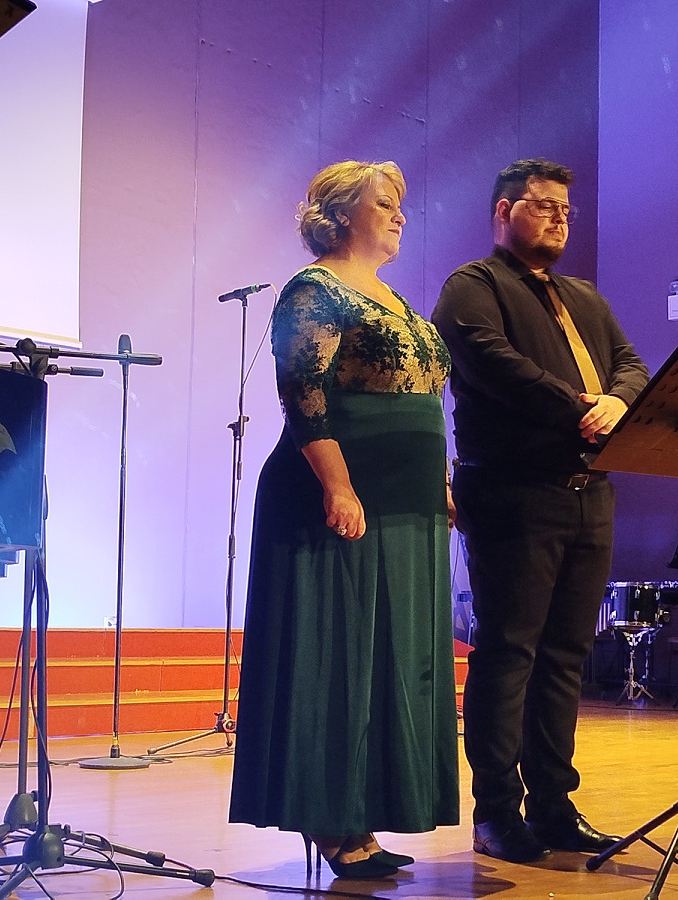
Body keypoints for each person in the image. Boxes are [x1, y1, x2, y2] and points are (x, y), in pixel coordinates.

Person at [228, 160, 459, 879]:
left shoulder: (391, 297)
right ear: (339, 214)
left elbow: (423, 400)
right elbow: (304, 391)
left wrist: (440, 483)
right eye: (383, 203)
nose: (399, 214)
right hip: (339, 498)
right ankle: (330, 820)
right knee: (338, 658)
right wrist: (338, 485)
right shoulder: (314, 289)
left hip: (408, 503)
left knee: (391, 662)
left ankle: (365, 813)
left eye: (400, 204)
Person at [431, 158, 649, 864]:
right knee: (509, 652)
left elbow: (631, 364)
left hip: (590, 493)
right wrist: (582, 407)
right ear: (504, 210)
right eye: (545, 205)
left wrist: (618, 401)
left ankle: (553, 807)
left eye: (565, 210)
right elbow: (496, 365)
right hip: (513, 494)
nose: (559, 218)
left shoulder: (584, 296)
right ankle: (496, 812)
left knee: (565, 657)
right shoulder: (472, 286)